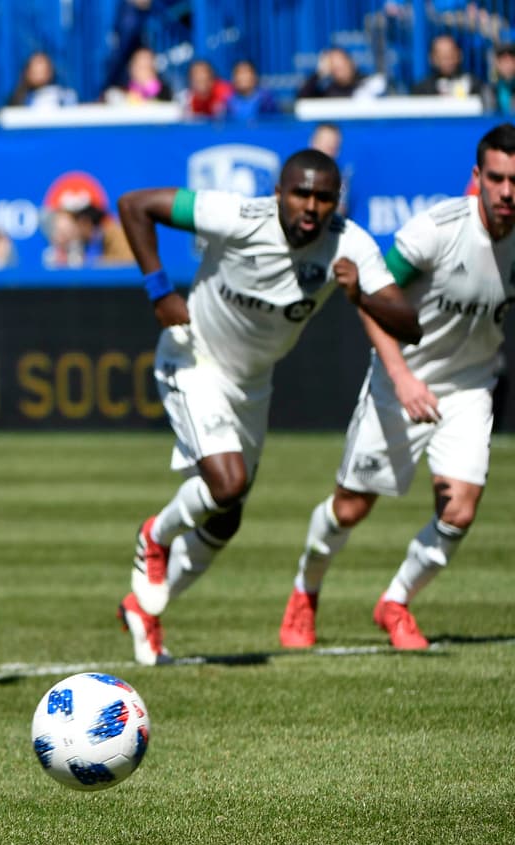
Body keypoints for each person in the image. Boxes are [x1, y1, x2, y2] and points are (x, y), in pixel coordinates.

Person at [112, 148, 421, 665]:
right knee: (226, 483)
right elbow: (134, 204)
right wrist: (159, 291)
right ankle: (155, 536)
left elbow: (408, 323)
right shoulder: (237, 215)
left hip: (253, 385)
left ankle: (142, 612)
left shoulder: (350, 245)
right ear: (279, 193)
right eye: (301, 193)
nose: (311, 206)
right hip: (194, 359)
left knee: (226, 518)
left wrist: (360, 296)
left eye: (324, 197)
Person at [279, 124, 515, 651]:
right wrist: (403, 377)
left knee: (460, 510)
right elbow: (373, 298)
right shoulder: (436, 229)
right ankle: (304, 589)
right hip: (400, 381)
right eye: (497, 178)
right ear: (478, 178)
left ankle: (396, 602)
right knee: (350, 509)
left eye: (514, 181)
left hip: (470, 386)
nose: (507, 192)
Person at [297, 47, 386, 100]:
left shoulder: (369, 83)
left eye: (342, 65)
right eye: (335, 68)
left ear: (351, 63)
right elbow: (302, 98)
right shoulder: (328, 91)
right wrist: (319, 73)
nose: (340, 71)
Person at [411, 33, 482, 98]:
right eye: (442, 57)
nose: (447, 61)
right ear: (432, 58)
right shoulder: (422, 89)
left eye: (451, 55)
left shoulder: (475, 85)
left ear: (459, 55)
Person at [6, 51, 78, 109]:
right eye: (35, 66)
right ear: (27, 72)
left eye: (42, 65)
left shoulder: (64, 96)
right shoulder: (16, 100)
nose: (39, 70)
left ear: (50, 71)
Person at [104, 47, 173, 104]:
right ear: (131, 68)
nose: (143, 71)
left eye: (147, 66)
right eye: (139, 66)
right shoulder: (120, 93)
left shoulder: (166, 94)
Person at [486, 43, 515, 113]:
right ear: (497, 63)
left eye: (511, 60)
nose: (508, 64)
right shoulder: (490, 89)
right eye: (503, 60)